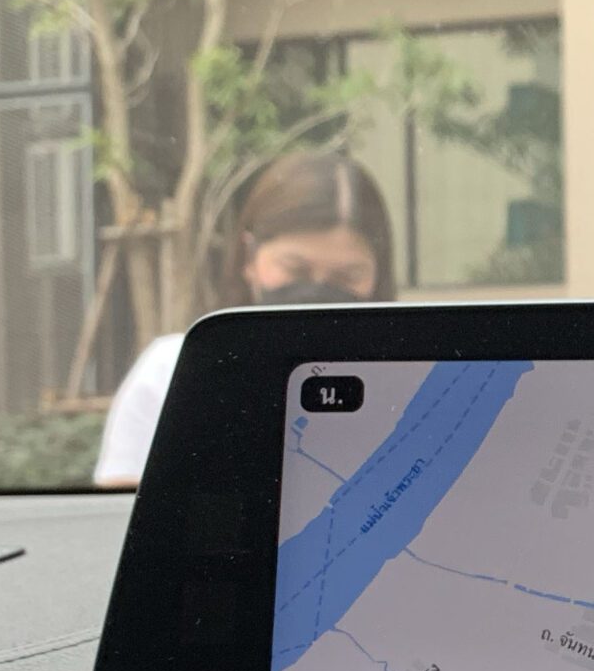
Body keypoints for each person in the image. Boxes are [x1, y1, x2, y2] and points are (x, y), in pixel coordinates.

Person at [93, 151, 397, 488]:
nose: (317, 290)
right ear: (249, 256)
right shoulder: (173, 373)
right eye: (295, 269)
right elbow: (120, 507)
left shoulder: (408, 382)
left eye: (346, 277)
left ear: (379, 274)